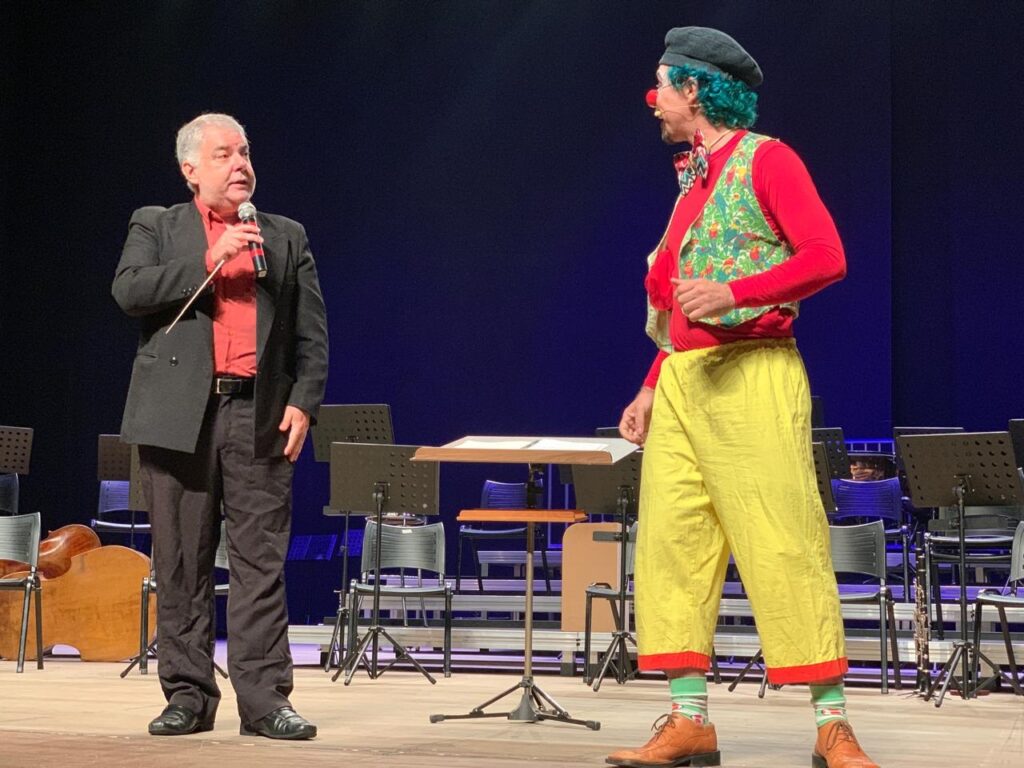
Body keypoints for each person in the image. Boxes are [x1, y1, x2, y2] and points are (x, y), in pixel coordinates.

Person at [609, 28, 878, 768]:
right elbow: (677, 311)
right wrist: (651, 384)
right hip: (687, 385)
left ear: (695, 89)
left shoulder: (769, 159)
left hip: (754, 373)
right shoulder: (691, 179)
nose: (652, 100)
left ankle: (832, 724)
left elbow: (828, 256)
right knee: (672, 548)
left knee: (783, 541)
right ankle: (688, 719)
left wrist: (736, 290)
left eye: (661, 84)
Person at [113, 113, 328, 740]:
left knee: (261, 564)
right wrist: (209, 257)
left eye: (245, 152)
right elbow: (128, 291)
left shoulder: (285, 235)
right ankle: (187, 696)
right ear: (191, 170)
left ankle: (265, 703)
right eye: (224, 154)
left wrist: (304, 402)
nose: (241, 164)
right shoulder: (156, 224)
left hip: (258, 414)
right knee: (181, 563)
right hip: (179, 418)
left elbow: (311, 333)